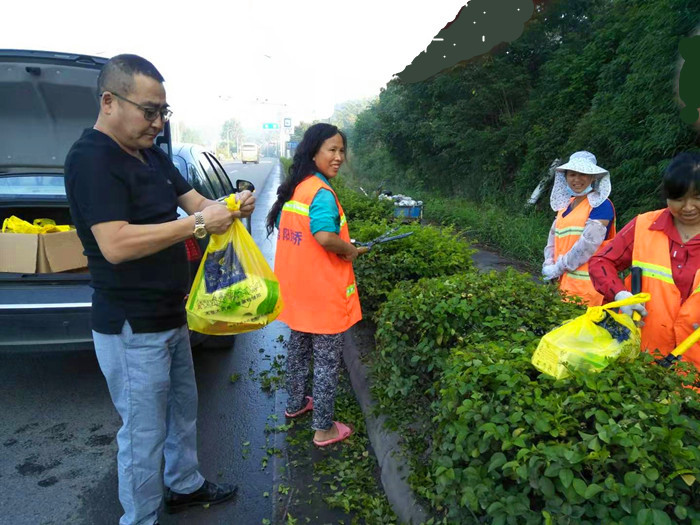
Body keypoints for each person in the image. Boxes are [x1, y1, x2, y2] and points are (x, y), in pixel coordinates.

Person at [64, 54, 255, 525]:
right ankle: (141, 517)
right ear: (109, 102)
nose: (158, 122)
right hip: (131, 326)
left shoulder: (152, 156)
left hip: (172, 314)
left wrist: (229, 206)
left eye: (163, 112)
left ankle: (184, 485)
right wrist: (196, 225)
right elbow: (115, 244)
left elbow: (197, 203)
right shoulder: (91, 159)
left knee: (183, 412)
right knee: (143, 433)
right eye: (149, 111)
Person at [266, 123, 361, 447]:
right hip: (322, 296)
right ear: (314, 152)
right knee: (325, 363)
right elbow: (322, 236)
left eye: (341, 151)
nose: (338, 157)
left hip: (297, 293)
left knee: (297, 352)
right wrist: (350, 249)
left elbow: (292, 232)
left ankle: (295, 404)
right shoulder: (321, 193)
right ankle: (324, 429)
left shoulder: (296, 189)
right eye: (331, 150)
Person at [589, 152, 700, 371]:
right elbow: (601, 262)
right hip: (642, 362)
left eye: (697, 197)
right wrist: (621, 295)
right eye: (678, 198)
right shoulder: (644, 226)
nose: (688, 207)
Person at [542, 150, 616, 306]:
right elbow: (553, 239)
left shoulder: (601, 205)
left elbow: (588, 245)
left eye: (583, 174)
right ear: (566, 177)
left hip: (588, 293)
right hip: (562, 288)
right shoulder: (565, 206)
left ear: (592, 177)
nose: (577, 179)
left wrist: (557, 268)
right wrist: (549, 263)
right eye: (572, 174)